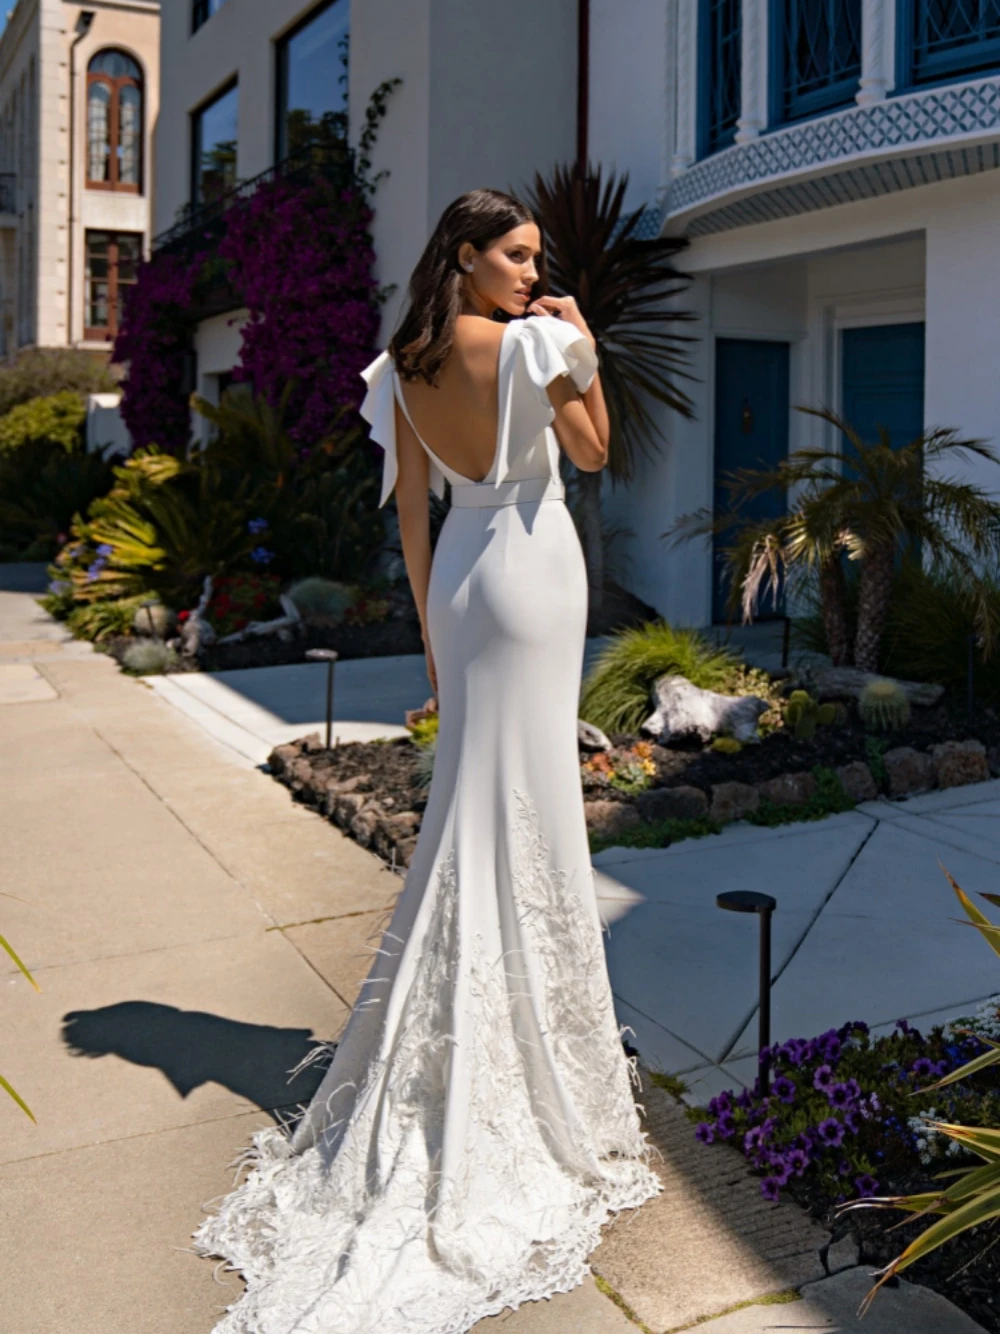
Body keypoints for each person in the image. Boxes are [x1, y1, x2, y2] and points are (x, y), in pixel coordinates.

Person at [192, 188, 662, 1334]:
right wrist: (584, 345)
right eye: (513, 252)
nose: (528, 268)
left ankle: (469, 1029)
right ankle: (528, 1048)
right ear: (465, 254)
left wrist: (437, 646)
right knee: (535, 809)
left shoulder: (398, 363)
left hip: (459, 576)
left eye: (535, 256)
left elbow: (411, 514)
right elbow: (594, 453)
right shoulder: (540, 341)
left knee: (469, 810)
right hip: (535, 566)